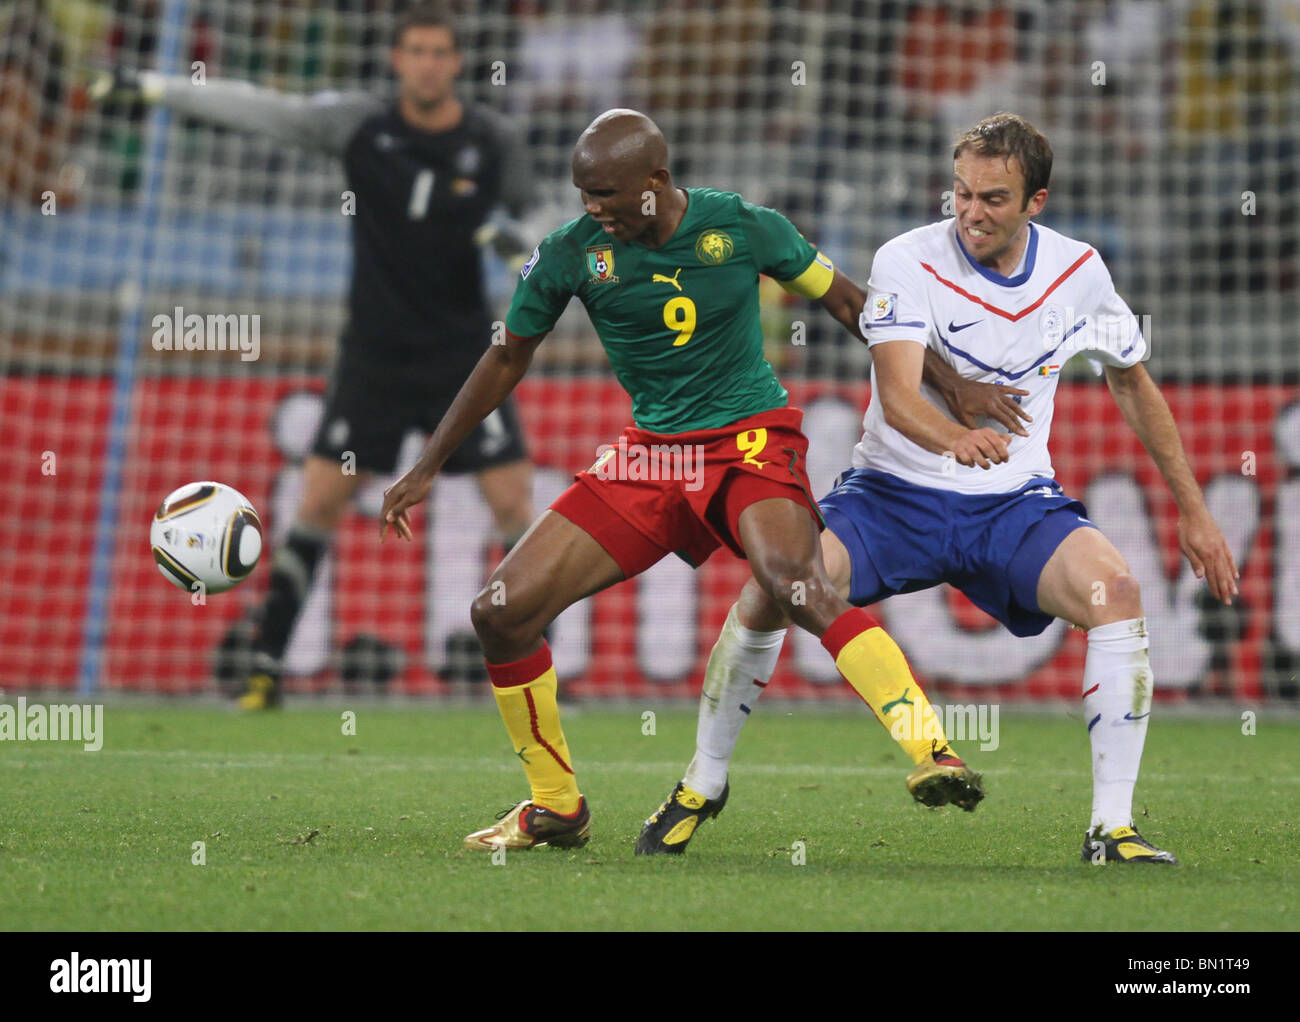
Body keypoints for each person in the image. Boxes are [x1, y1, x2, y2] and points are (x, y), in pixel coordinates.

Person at [378, 107, 1020, 852]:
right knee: (499, 611)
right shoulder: (569, 253)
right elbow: (506, 357)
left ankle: (930, 748)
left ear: (656, 181)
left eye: (607, 195)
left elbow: (848, 302)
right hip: (652, 456)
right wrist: (428, 463)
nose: (594, 210)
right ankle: (555, 807)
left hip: (748, 441)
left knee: (795, 582)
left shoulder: (744, 227)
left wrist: (950, 383)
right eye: (583, 194)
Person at [639, 112, 1240, 864]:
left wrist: (1194, 511)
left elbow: (1132, 383)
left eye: (992, 198)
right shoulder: (908, 259)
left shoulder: (1079, 271)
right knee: (775, 586)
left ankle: (1110, 829)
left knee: (1115, 593)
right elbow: (897, 394)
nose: (970, 212)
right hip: (892, 496)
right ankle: (703, 782)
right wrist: (957, 438)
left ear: (1036, 204)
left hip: (1014, 505)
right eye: (961, 192)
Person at [92, 3, 538, 707]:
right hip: (376, 352)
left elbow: (532, 216)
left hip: (466, 354)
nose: (427, 63)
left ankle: (544, 675)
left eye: (439, 52)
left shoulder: (492, 139)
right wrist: (156, 88)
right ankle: (266, 668)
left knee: (515, 504)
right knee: (321, 498)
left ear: (456, 63)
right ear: (398, 60)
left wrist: (517, 240)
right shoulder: (360, 124)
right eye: (415, 50)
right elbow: (261, 109)